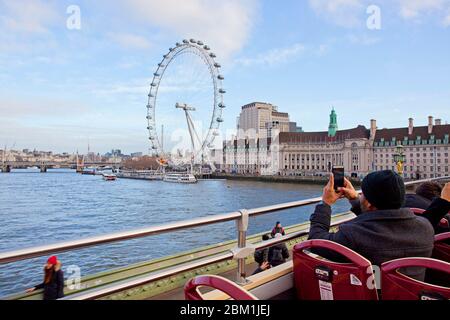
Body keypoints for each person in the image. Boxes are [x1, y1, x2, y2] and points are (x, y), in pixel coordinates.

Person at [308, 170, 435, 281]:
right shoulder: (425, 228)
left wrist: (325, 203)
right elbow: (378, 221)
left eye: (362, 193)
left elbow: (315, 241)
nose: (360, 195)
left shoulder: (353, 234)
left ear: (368, 203)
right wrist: (355, 201)